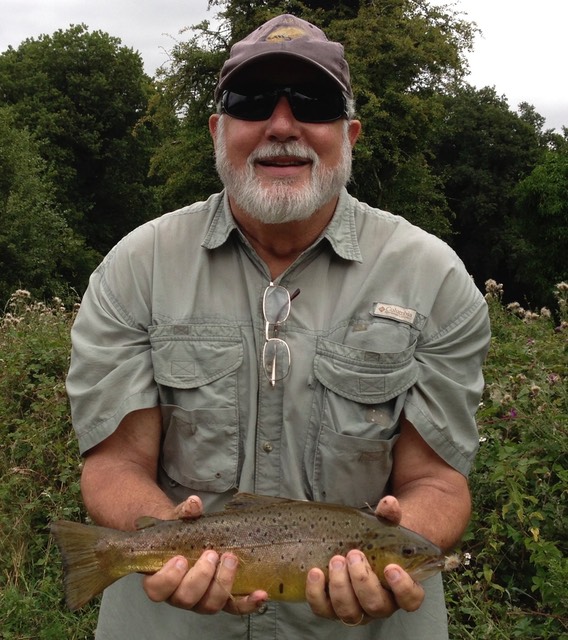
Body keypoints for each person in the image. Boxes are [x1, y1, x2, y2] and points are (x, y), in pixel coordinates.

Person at [66, 13, 491, 640]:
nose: (283, 126)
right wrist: (156, 536)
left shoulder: (435, 278)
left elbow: (437, 481)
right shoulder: (135, 267)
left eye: (313, 103)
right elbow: (112, 465)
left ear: (350, 133)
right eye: (253, 102)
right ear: (218, 129)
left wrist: (405, 539)